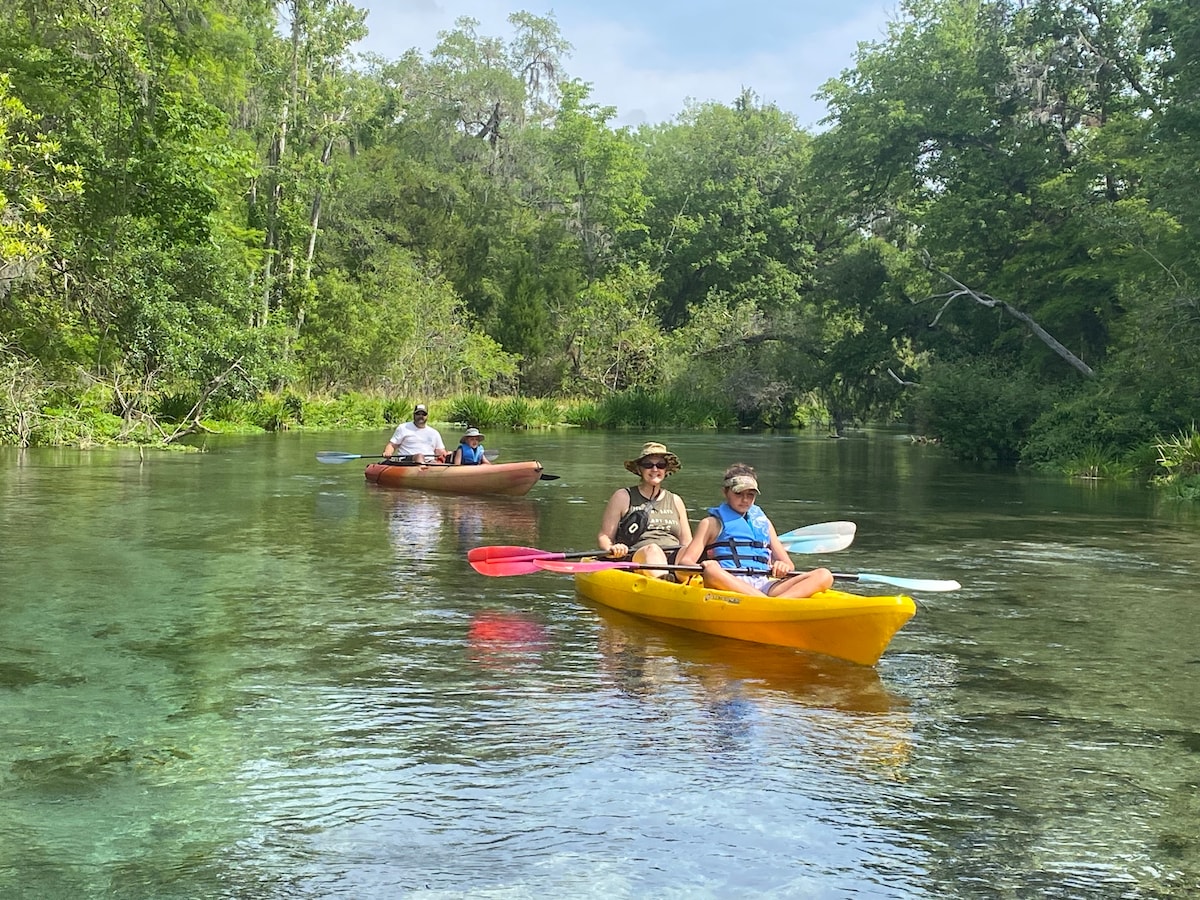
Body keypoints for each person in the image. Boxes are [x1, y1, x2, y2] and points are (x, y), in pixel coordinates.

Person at [676, 463, 834, 598]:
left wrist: (782, 566)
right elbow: (685, 562)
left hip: (764, 585)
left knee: (824, 575)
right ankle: (769, 605)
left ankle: (777, 605)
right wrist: (706, 566)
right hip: (728, 583)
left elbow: (788, 564)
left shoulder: (763, 523)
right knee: (711, 570)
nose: (745, 500)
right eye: (739, 494)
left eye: (750, 495)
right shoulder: (711, 523)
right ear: (725, 492)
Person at [597, 441, 692, 579]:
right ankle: (665, 583)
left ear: (666, 470)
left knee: (687, 551)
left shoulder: (676, 500)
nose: (655, 469)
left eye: (660, 465)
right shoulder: (623, 496)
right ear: (640, 469)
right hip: (639, 556)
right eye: (648, 465)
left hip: (674, 558)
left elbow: (687, 542)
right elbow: (604, 536)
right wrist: (612, 549)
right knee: (653, 549)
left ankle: (685, 583)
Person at [382, 403, 446, 466]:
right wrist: (388, 452)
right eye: (418, 414)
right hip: (407, 461)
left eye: (423, 414)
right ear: (414, 415)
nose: (421, 416)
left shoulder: (434, 433)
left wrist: (447, 454)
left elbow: (440, 451)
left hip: (429, 462)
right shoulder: (403, 428)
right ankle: (422, 473)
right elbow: (392, 445)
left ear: (427, 416)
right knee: (419, 456)